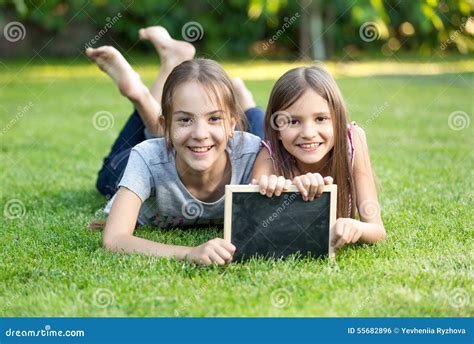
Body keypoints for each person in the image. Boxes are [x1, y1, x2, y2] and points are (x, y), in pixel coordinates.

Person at [86, 26, 269, 265]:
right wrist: (188, 252)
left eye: (214, 118)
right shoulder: (147, 157)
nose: (201, 134)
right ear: (166, 126)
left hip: (230, 135)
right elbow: (114, 239)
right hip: (155, 151)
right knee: (106, 179)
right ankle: (140, 94)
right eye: (185, 120)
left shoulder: (255, 153)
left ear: (232, 123)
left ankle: (244, 101)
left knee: (262, 131)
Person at [252, 66, 387, 250]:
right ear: (277, 130)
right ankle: (247, 104)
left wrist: (356, 227)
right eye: (293, 121)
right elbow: (252, 227)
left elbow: (377, 230)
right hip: (265, 135)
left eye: (321, 119)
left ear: (338, 120)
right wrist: (273, 188)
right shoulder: (269, 152)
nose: (308, 133)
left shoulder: (353, 139)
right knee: (254, 120)